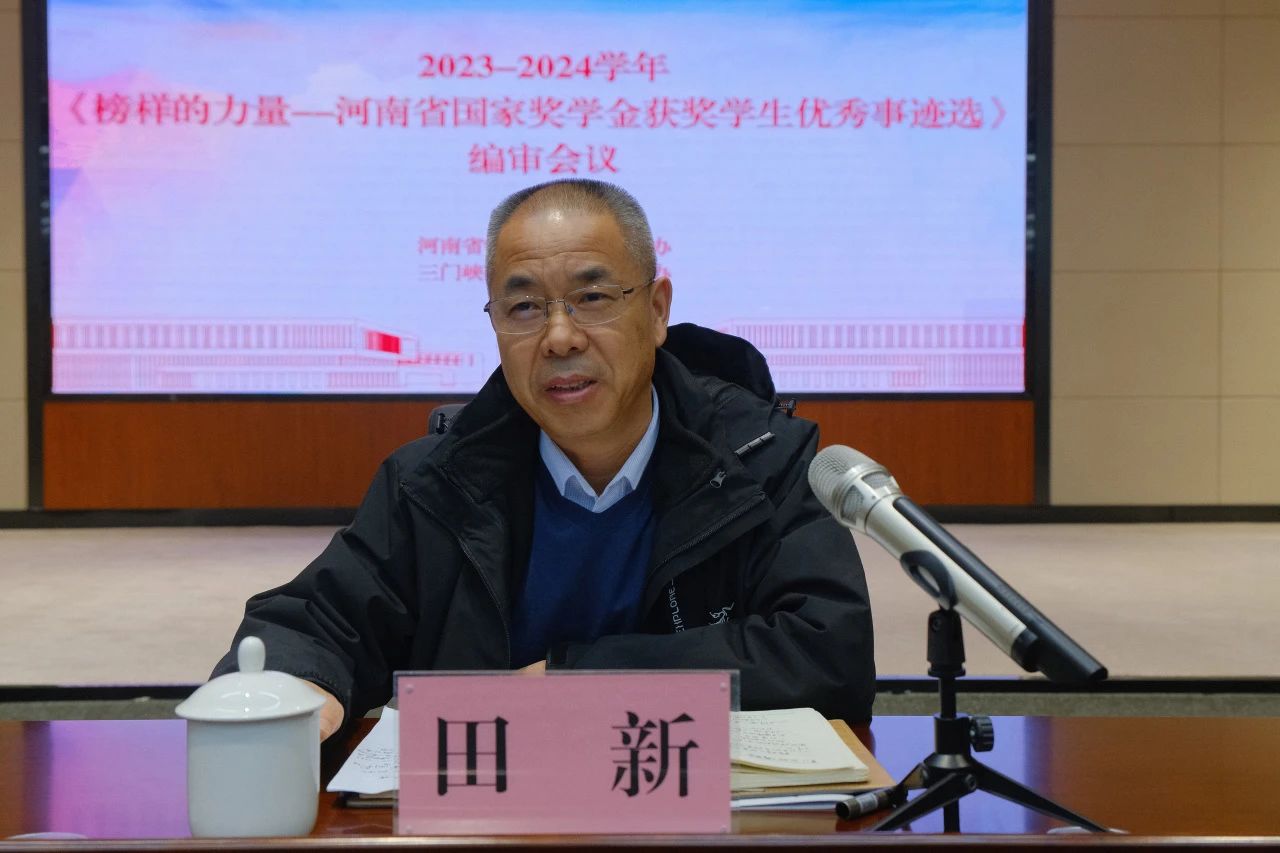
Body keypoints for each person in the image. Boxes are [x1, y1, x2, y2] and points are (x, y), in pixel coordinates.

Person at [213, 179, 875, 740]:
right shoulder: (433, 481)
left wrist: (575, 679)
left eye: (592, 298)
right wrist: (295, 684)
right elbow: (316, 621)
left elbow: (827, 654)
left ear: (656, 310)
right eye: (525, 306)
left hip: (701, 823)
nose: (559, 337)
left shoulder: (762, 461)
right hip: (490, 825)